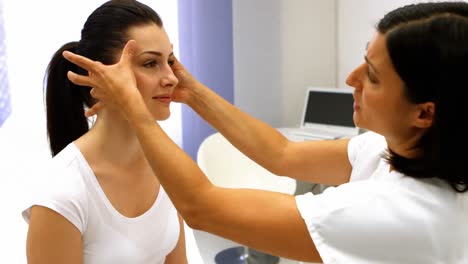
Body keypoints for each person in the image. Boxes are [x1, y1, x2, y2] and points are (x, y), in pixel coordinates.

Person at [63, 1, 468, 263]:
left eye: (374, 76)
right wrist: (193, 93)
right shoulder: (395, 148)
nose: (351, 78)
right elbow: (282, 155)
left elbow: (201, 208)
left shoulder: (405, 212)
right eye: (154, 63)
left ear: (424, 113)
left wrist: (136, 109)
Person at [22, 1, 187, 263]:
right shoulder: (62, 192)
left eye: (169, 60)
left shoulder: (165, 163)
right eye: (150, 63)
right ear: (97, 75)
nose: (172, 78)